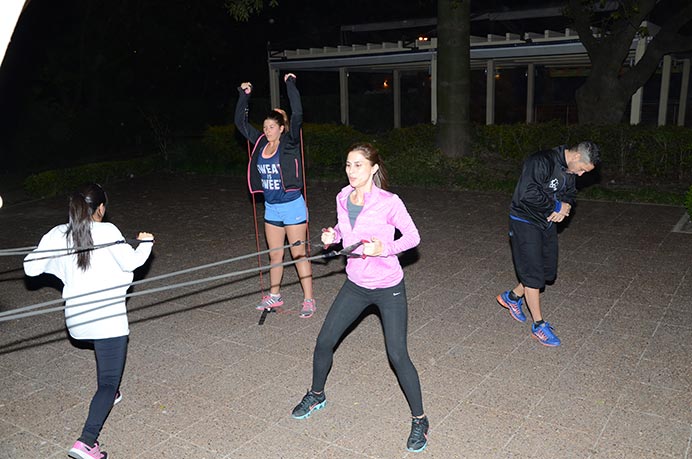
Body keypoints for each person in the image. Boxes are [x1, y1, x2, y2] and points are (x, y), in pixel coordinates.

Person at [291, 143, 429, 453]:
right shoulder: (342, 196)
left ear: (374, 169)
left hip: (388, 286)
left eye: (358, 165)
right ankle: (317, 394)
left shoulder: (389, 202)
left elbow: (413, 237)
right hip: (355, 283)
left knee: (397, 355)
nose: (352, 171)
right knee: (324, 341)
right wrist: (333, 237)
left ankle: (420, 419)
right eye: (348, 165)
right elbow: (345, 229)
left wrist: (385, 248)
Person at [23, 184, 154, 459]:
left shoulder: (58, 233)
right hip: (107, 321)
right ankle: (86, 441)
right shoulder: (108, 231)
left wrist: (47, 250)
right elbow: (132, 263)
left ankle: (112, 390)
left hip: (77, 322)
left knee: (107, 365)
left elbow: (30, 268)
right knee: (106, 382)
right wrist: (146, 243)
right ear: (101, 208)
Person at [496, 141, 601, 347]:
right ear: (576, 157)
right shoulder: (541, 161)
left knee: (546, 271)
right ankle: (539, 325)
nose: (580, 175)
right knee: (534, 275)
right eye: (582, 170)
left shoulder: (570, 169)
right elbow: (527, 193)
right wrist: (556, 205)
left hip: (546, 222)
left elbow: (569, 194)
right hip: (524, 221)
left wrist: (567, 207)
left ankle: (512, 296)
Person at [234, 73, 316, 318]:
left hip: (292, 206)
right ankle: (275, 296)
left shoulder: (289, 142)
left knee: (298, 253)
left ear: (282, 128)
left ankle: (309, 299)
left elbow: (299, 113)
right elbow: (240, 122)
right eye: (265, 127)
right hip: (271, 208)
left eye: (272, 127)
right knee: (275, 255)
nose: (267, 130)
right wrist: (243, 95)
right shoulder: (259, 142)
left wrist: (290, 84)